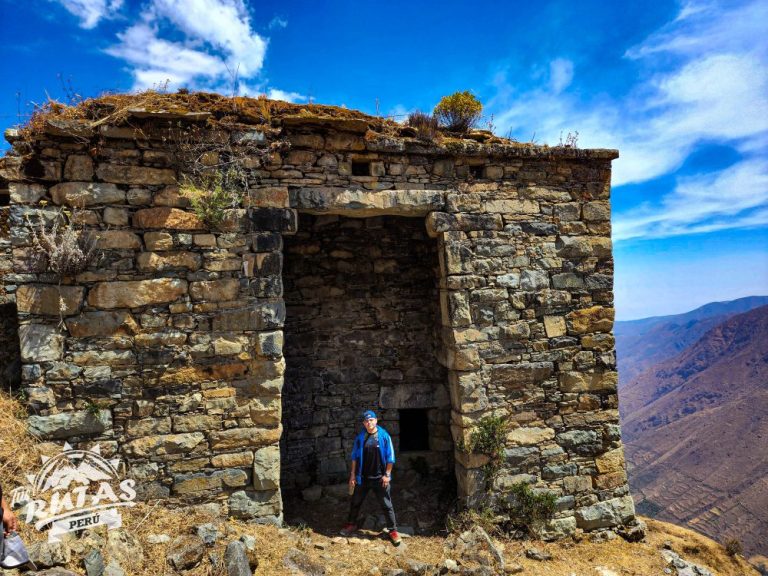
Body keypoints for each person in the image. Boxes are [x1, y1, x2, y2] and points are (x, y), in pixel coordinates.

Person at [340, 410, 402, 545]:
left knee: (386, 505)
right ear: (364, 423)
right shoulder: (360, 438)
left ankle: (393, 531)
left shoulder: (384, 436)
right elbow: (354, 457)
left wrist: (387, 475)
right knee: (355, 502)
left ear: (376, 420)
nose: (369, 423)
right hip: (362, 478)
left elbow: (390, 457)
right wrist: (352, 475)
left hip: (380, 479)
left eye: (371, 420)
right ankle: (351, 524)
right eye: (366, 421)